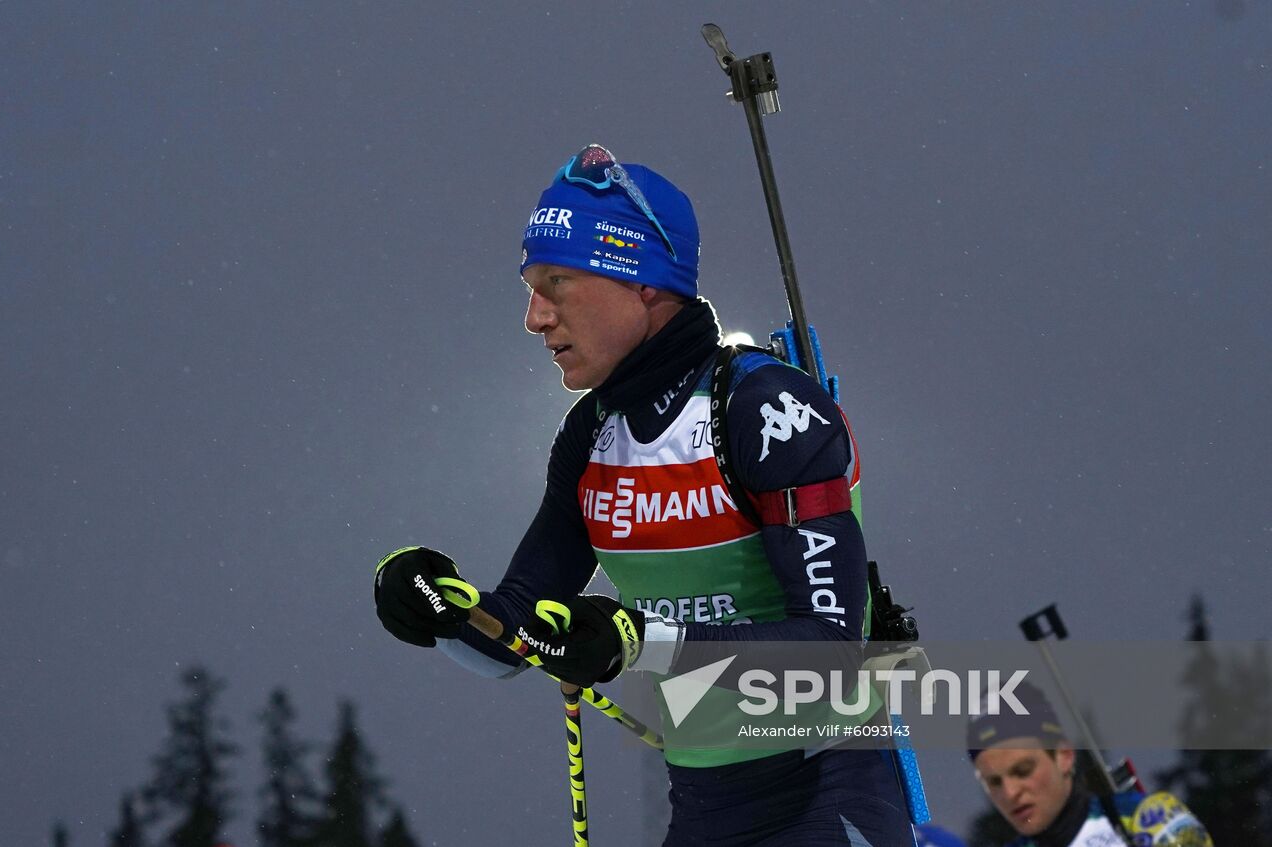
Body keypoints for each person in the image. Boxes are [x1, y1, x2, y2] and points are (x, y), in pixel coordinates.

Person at [373, 144, 915, 846]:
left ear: (645, 285)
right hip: (702, 804)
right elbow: (515, 636)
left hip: (824, 790)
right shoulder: (590, 435)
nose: (535, 317)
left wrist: (640, 642)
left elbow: (832, 652)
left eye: (559, 282)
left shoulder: (762, 407)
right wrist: (441, 609)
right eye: (530, 289)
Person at [968, 680, 1209, 847]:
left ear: (1064, 756)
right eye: (993, 782)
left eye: (1023, 771)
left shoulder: (1146, 820)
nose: (1010, 792)